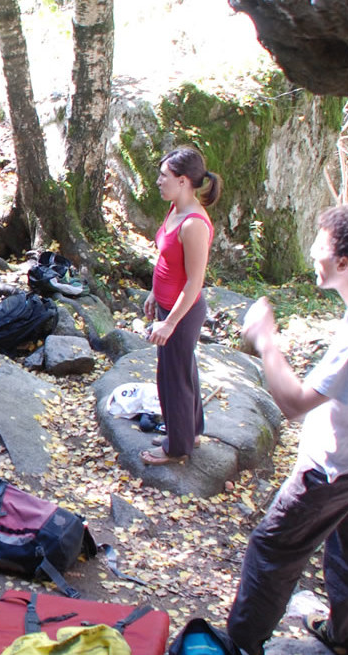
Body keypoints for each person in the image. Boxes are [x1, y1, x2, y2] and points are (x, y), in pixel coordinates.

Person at [227, 204, 348, 655]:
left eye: (319, 244)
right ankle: (342, 637)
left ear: (344, 264)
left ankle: (240, 644)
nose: (311, 252)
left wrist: (265, 340)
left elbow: (296, 403)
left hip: (329, 470)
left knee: (271, 551)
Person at [140, 147, 220, 465]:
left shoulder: (194, 224)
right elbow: (166, 260)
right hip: (166, 306)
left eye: (164, 176)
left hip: (181, 314)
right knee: (182, 372)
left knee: (172, 379)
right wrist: (152, 294)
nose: (158, 181)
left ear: (184, 180)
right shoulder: (175, 209)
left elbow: (194, 283)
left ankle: (176, 448)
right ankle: (190, 431)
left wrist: (170, 322)